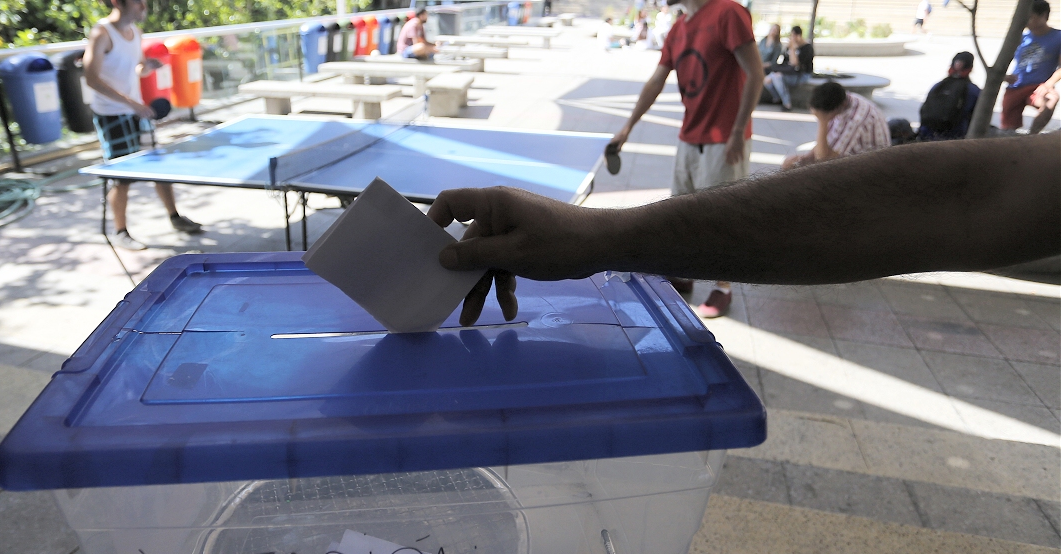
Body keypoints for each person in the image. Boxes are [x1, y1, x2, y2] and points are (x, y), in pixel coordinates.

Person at [427, 132, 1060, 327]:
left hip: (719, 134)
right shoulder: (682, 27)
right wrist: (598, 237)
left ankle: (715, 287)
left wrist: (601, 236)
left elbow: (965, 199)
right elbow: (967, 200)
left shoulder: (727, 14)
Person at [607, 0, 763, 318]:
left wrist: (737, 131)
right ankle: (686, 273)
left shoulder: (727, 13)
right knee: (681, 213)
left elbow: (756, 73)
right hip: (689, 137)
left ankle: (723, 287)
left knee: (722, 218)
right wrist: (627, 127)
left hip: (724, 140)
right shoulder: (679, 27)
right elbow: (656, 81)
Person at [83, 0, 203, 251]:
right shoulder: (101, 33)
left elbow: (135, 67)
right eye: (138, 2)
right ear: (118, 2)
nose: (143, 7)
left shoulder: (136, 32)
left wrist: (146, 67)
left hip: (137, 110)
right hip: (111, 115)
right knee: (122, 177)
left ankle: (175, 217)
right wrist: (131, 103)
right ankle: (120, 231)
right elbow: (91, 78)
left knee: (157, 166)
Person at [781, 82, 890, 170]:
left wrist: (822, 122)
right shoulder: (844, 101)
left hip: (870, 168)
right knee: (789, 164)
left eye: (822, 115)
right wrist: (804, 159)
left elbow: (824, 160)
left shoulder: (855, 120)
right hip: (851, 157)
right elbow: (829, 142)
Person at [1001, 0, 1061, 134]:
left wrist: (1048, 84)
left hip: (1037, 86)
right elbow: (1003, 63)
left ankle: (1032, 136)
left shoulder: (1058, 37)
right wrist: (1004, 76)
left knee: (1050, 99)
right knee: (1007, 132)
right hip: (1015, 86)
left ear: (1043, 16)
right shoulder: (1020, 37)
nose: (1027, 21)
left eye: (1031, 17)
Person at [917, 51, 980, 141]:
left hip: (927, 137)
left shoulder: (937, 86)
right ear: (970, 69)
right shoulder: (974, 91)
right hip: (954, 139)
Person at [762, 25, 814, 111]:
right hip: (788, 73)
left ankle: (787, 103)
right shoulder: (789, 47)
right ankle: (777, 98)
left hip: (801, 75)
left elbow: (795, 64)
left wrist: (792, 49)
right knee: (767, 80)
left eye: (795, 36)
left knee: (777, 77)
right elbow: (785, 63)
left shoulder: (807, 48)